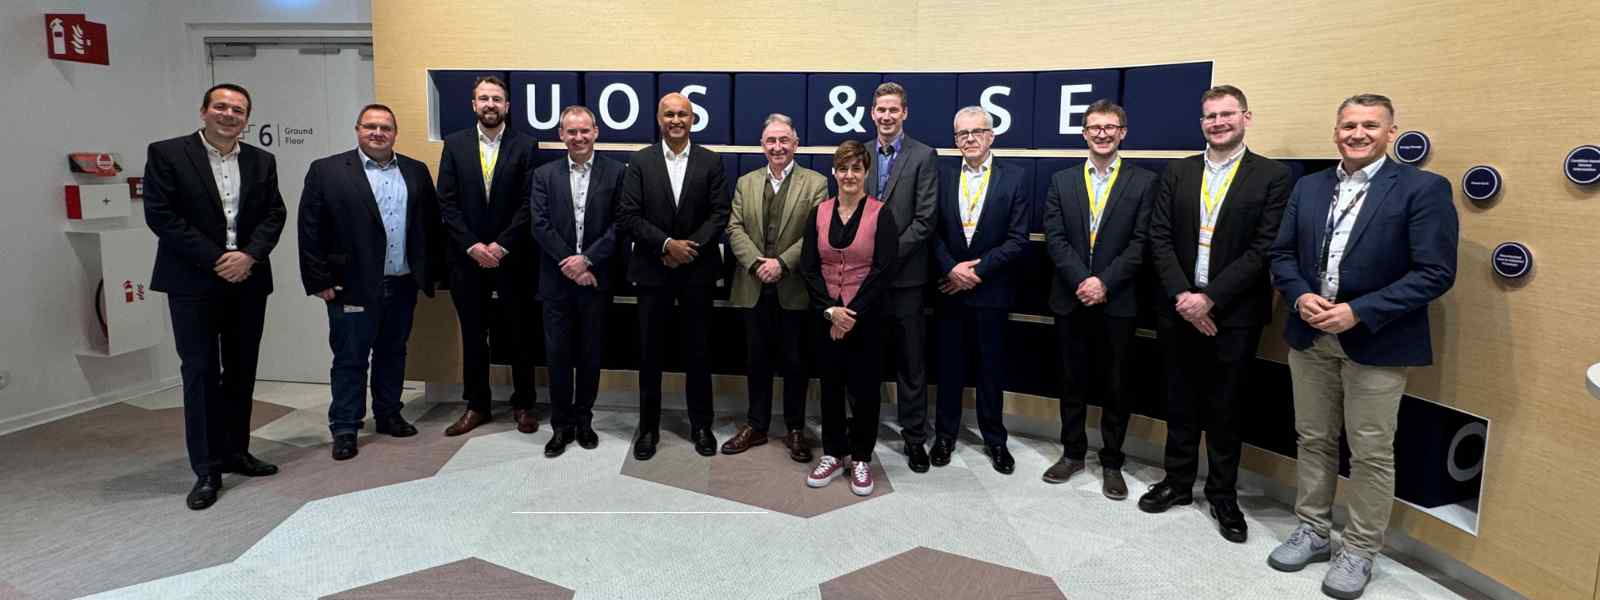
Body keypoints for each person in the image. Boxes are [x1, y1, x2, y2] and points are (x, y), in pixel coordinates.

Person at [1266, 94, 1458, 600]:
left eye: (1370, 126)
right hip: (1310, 335)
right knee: (1313, 438)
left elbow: (1435, 272)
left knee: (1371, 452)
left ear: (1392, 132)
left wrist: (1359, 310)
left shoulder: (1422, 189)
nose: (1357, 133)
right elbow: (1282, 253)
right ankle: (1312, 530)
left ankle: (1359, 550)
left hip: (1377, 341)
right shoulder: (1309, 187)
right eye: (1349, 125)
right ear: (1335, 131)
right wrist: (1300, 293)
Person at [1141, 85, 1291, 544]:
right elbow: (1159, 237)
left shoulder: (1273, 176)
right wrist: (1185, 296)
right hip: (1178, 307)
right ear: (1201, 121)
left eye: (1227, 114)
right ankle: (1178, 482)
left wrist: (1212, 299)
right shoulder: (1177, 172)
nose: (1218, 122)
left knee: (1227, 407)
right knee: (1179, 400)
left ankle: (1223, 494)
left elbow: (1265, 247)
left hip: (1235, 313)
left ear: (1247, 117)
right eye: (1210, 116)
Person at [144, 83, 286, 510]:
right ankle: (206, 469)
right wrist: (218, 259)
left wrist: (249, 256)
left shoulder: (262, 161)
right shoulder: (167, 154)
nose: (229, 115)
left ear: (247, 118)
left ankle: (236, 452)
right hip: (193, 283)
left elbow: (274, 214)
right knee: (202, 372)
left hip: (248, 280)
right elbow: (162, 215)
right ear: (204, 111)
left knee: (241, 370)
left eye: (238, 110)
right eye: (221, 107)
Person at [298, 104, 441, 462]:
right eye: (371, 126)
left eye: (386, 127)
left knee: (394, 352)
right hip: (352, 284)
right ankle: (345, 426)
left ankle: (388, 413)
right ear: (357, 128)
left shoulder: (415, 170)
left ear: (395, 132)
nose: (378, 133)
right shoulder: (327, 171)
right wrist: (319, 280)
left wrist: (430, 273)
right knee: (350, 358)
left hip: (402, 281)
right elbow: (310, 228)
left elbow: (429, 226)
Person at [1040, 100, 1157, 498]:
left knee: (1116, 386)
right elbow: (1054, 238)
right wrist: (1082, 280)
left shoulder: (1143, 182)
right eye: (1094, 127)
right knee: (1071, 381)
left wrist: (1104, 282)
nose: (1102, 133)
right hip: (1071, 298)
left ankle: (1111, 462)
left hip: (1118, 300)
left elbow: (1143, 242)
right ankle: (1072, 453)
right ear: (1084, 133)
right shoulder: (1061, 180)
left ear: (1123, 131)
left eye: (1110, 127)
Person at [615, 92, 730, 460]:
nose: (676, 120)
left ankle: (701, 425)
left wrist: (687, 248)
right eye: (669, 114)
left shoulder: (711, 161)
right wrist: (666, 245)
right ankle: (648, 427)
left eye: (682, 114)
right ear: (659, 119)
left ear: (692, 119)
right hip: (652, 271)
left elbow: (719, 213)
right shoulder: (639, 161)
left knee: (699, 352)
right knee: (650, 354)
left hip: (697, 272)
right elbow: (628, 215)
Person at [436, 75, 541, 436]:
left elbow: (530, 202)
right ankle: (476, 405)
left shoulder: (527, 145)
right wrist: (473, 246)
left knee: (519, 334)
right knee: (473, 334)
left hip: (513, 258)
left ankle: (524, 403)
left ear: (507, 106)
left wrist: (501, 245)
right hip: (467, 259)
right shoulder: (455, 144)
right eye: (484, 99)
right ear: (473, 104)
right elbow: (446, 202)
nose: (490, 105)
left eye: (497, 99)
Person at [929, 107, 1030, 474]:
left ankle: (995, 440)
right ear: (955, 140)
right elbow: (931, 231)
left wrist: (977, 271)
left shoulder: (1016, 177)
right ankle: (944, 436)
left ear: (991, 136)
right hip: (949, 288)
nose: (969, 139)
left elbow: (1019, 239)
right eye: (961, 134)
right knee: (949, 367)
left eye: (976, 132)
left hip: (992, 291)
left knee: (991, 370)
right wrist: (950, 269)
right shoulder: (941, 175)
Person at [722, 113, 826, 462]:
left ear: (795, 144)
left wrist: (780, 263)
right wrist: (757, 263)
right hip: (753, 286)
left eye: (784, 140)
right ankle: (757, 425)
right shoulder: (745, 182)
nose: (777, 147)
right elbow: (734, 228)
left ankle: (795, 428)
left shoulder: (816, 183)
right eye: (771, 141)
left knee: (796, 362)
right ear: (762, 145)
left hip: (793, 286)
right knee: (757, 360)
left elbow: (813, 233)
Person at [801, 141, 900, 497]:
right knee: (830, 385)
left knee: (865, 388)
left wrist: (851, 312)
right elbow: (809, 267)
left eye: (856, 168)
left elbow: (884, 270)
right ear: (834, 172)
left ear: (866, 172)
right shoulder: (819, 211)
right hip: (826, 316)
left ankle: (860, 457)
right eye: (843, 168)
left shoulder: (881, 213)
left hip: (867, 318)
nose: (849, 175)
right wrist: (830, 309)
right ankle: (833, 452)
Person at [530, 106, 624, 458]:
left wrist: (587, 260)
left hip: (596, 280)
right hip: (556, 283)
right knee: (557, 357)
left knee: (590, 355)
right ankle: (560, 427)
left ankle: (584, 421)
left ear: (596, 132)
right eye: (572, 132)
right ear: (561, 135)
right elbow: (539, 225)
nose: (579, 138)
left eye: (585, 131)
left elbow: (620, 224)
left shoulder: (616, 173)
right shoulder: (543, 175)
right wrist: (570, 263)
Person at [862, 82, 939, 474]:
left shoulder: (924, 156)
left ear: (904, 113)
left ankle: (914, 438)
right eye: (881, 110)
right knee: (866, 360)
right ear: (872, 113)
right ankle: (862, 433)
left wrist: (886, 258)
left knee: (911, 364)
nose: (887, 116)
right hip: (863, 281)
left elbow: (925, 219)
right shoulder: (859, 155)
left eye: (894, 110)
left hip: (906, 279)